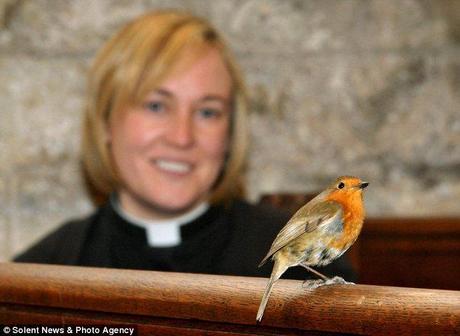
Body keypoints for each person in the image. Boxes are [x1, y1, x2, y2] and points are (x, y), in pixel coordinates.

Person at [14, 10, 355, 281]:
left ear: (230, 132)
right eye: (156, 106)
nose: (182, 137)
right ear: (105, 121)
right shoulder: (37, 278)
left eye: (207, 111)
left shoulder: (306, 268)